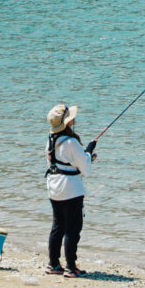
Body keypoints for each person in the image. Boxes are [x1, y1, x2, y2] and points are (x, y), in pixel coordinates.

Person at [46, 103, 97, 278]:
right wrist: (89, 152)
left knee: (58, 226)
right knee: (73, 229)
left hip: (54, 187)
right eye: (71, 118)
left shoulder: (51, 139)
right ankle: (71, 267)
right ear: (66, 123)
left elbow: (63, 162)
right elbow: (86, 170)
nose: (74, 120)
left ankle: (53, 264)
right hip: (71, 189)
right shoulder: (71, 142)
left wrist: (86, 156)